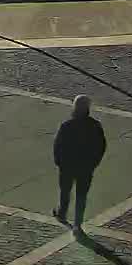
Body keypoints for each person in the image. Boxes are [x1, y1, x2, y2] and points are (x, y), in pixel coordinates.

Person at [52, 95, 106, 234]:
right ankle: (77, 224)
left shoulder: (67, 125)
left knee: (65, 191)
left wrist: (59, 161)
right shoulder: (94, 125)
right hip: (85, 167)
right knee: (81, 195)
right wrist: (94, 163)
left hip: (67, 166)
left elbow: (58, 145)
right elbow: (101, 146)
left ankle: (62, 213)